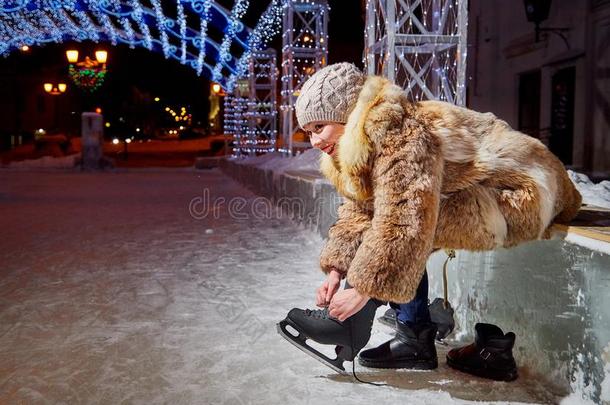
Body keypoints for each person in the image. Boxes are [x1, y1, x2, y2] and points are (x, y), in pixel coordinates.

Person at [277, 62, 582, 380]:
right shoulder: (356, 146)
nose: (314, 141)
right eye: (308, 131)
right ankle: (408, 326)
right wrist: (337, 271)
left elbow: (405, 217)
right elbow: (358, 211)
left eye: (319, 127)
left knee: (410, 218)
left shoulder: (399, 133)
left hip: (528, 190)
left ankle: (404, 332)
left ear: (347, 114)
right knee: (391, 215)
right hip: (491, 187)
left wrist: (362, 291)